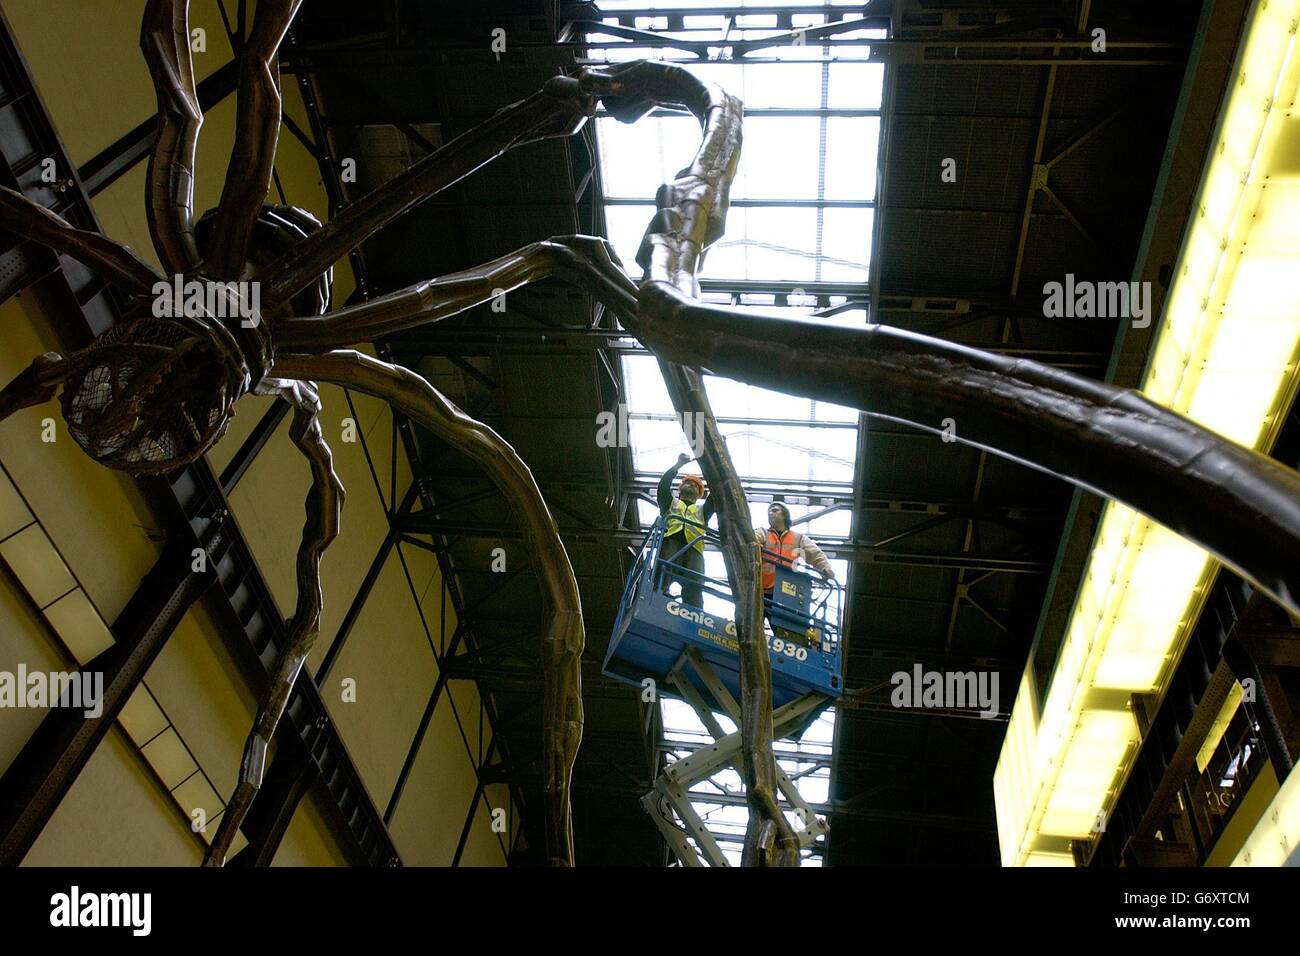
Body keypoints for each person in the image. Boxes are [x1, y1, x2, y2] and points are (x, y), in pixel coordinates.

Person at [756, 501, 836, 643]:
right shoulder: (763, 533)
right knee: (754, 629)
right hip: (761, 591)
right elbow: (751, 540)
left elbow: (814, 553)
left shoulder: (798, 538)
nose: (771, 513)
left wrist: (825, 568)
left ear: (785, 515)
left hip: (784, 594)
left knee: (786, 634)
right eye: (769, 511)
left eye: (775, 510)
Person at [657, 453, 714, 608]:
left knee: (694, 585)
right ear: (680, 488)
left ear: (700, 494)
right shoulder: (670, 503)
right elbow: (663, 485)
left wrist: (710, 463)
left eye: (696, 485)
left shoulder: (703, 511)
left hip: (693, 550)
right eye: (688, 483)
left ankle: (693, 612)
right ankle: (658, 597)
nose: (692, 485)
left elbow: (716, 494)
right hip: (671, 543)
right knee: (662, 572)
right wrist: (678, 465)